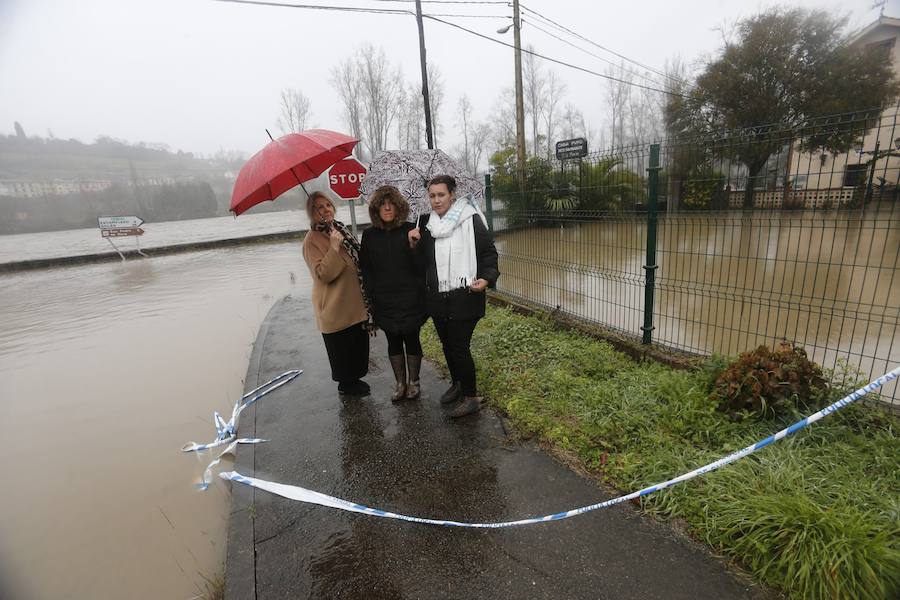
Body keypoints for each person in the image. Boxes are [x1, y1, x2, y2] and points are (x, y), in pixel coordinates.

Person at [408, 175, 499, 418]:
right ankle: (457, 383)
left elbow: (489, 254)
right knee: (447, 344)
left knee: (459, 346)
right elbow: (422, 266)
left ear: (452, 195)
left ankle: (471, 396)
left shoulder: (471, 220)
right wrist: (414, 244)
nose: (436, 200)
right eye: (432, 196)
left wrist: (487, 279)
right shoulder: (426, 225)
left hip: (465, 293)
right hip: (438, 297)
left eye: (441, 195)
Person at [359, 186, 427, 401]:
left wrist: (415, 246)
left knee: (412, 338)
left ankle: (414, 382)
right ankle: (400, 383)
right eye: (382, 204)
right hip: (384, 299)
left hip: (411, 298)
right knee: (393, 341)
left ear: (399, 207)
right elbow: (366, 268)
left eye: (391, 203)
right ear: (376, 209)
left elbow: (423, 267)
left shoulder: (411, 230)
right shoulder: (369, 235)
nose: (387, 207)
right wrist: (371, 296)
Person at [301, 191, 372, 396]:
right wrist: (333, 247)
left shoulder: (339, 229)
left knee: (356, 344)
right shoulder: (311, 240)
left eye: (327, 205)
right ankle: (346, 385)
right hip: (334, 306)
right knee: (341, 348)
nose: (325, 210)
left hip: (354, 303)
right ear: (312, 214)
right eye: (319, 208)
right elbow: (323, 274)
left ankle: (355, 379)